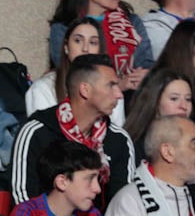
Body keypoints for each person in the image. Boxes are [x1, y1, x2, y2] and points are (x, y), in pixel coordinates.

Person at [11, 54, 137, 205]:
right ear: (85, 90)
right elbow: (23, 199)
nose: (119, 94)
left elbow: (123, 205)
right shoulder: (37, 132)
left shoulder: (118, 140)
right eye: (110, 85)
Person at [45, 0, 154, 89]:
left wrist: (145, 75)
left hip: (134, 99)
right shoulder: (63, 27)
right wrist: (117, 86)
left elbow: (147, 63)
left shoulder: (131, 21)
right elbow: (70, 76)